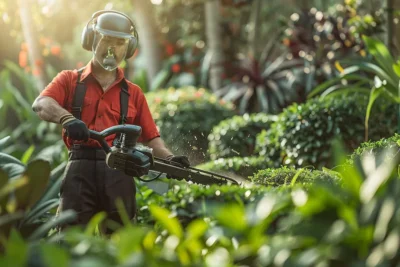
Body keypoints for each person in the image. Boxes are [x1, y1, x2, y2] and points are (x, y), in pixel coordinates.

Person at [31, 10, 190, 233]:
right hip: (80, 168)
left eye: (119, 42)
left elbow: (152, 138)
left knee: (122, 240)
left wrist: (170, 159)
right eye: (106, 39)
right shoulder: (69, 80)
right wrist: (67, 119)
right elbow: (41, 103)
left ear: (129, 48)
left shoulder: (134, 93)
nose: (111, 49)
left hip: (119, 170)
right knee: (70, 240)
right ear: (92, 39)